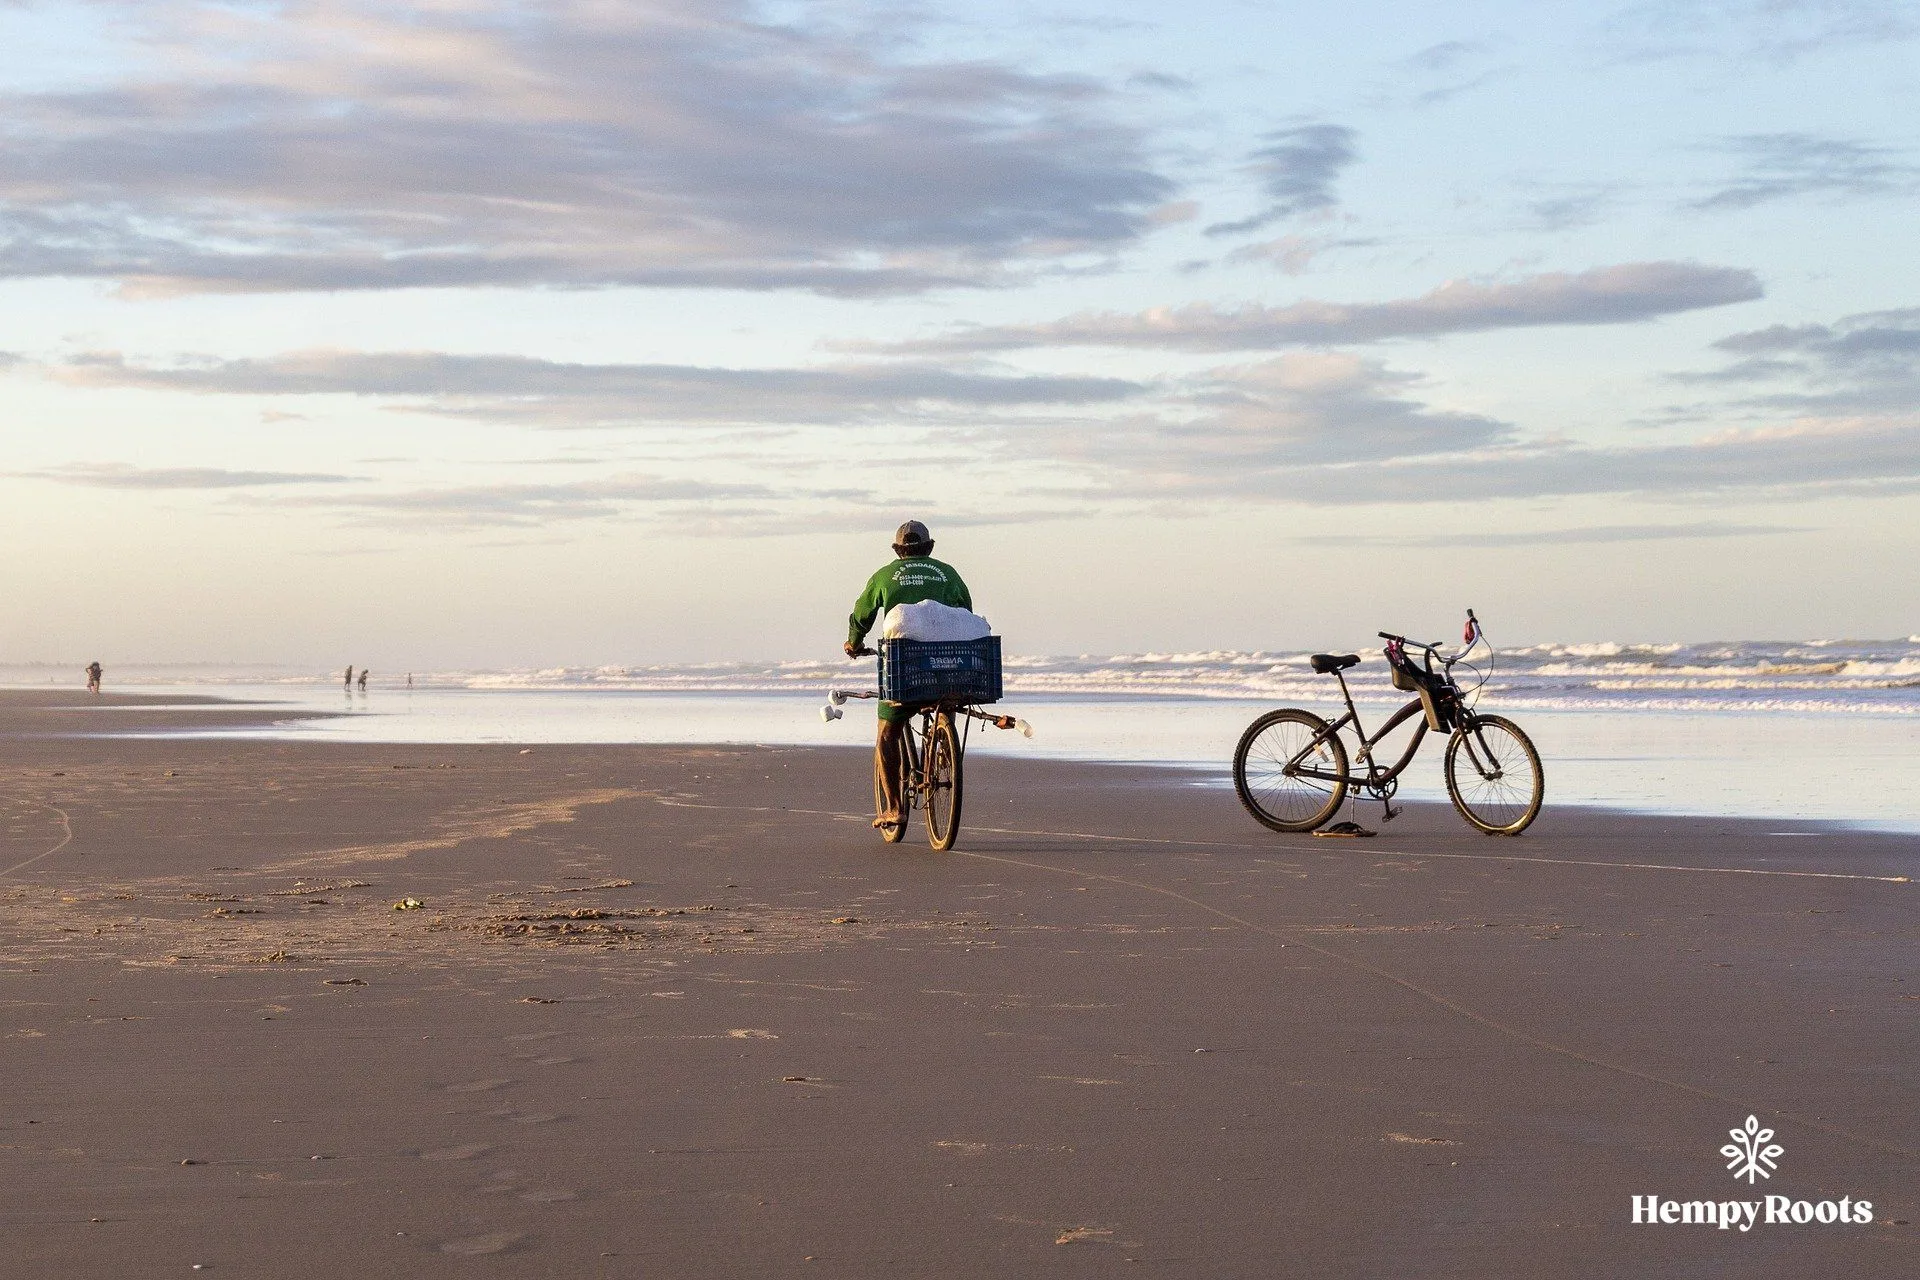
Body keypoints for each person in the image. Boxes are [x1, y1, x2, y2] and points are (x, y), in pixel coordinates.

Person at [845, 520, 972, 827]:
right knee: (946, 697)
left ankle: (894, 808)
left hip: (904, 668)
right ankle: (942, 744)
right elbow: (965, 612)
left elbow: (862, 614)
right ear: (929, 549)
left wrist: (854, 641)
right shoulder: (947, 573)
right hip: (948, 666)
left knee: (886, 735)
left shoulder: (885, 575)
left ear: (897, 550)